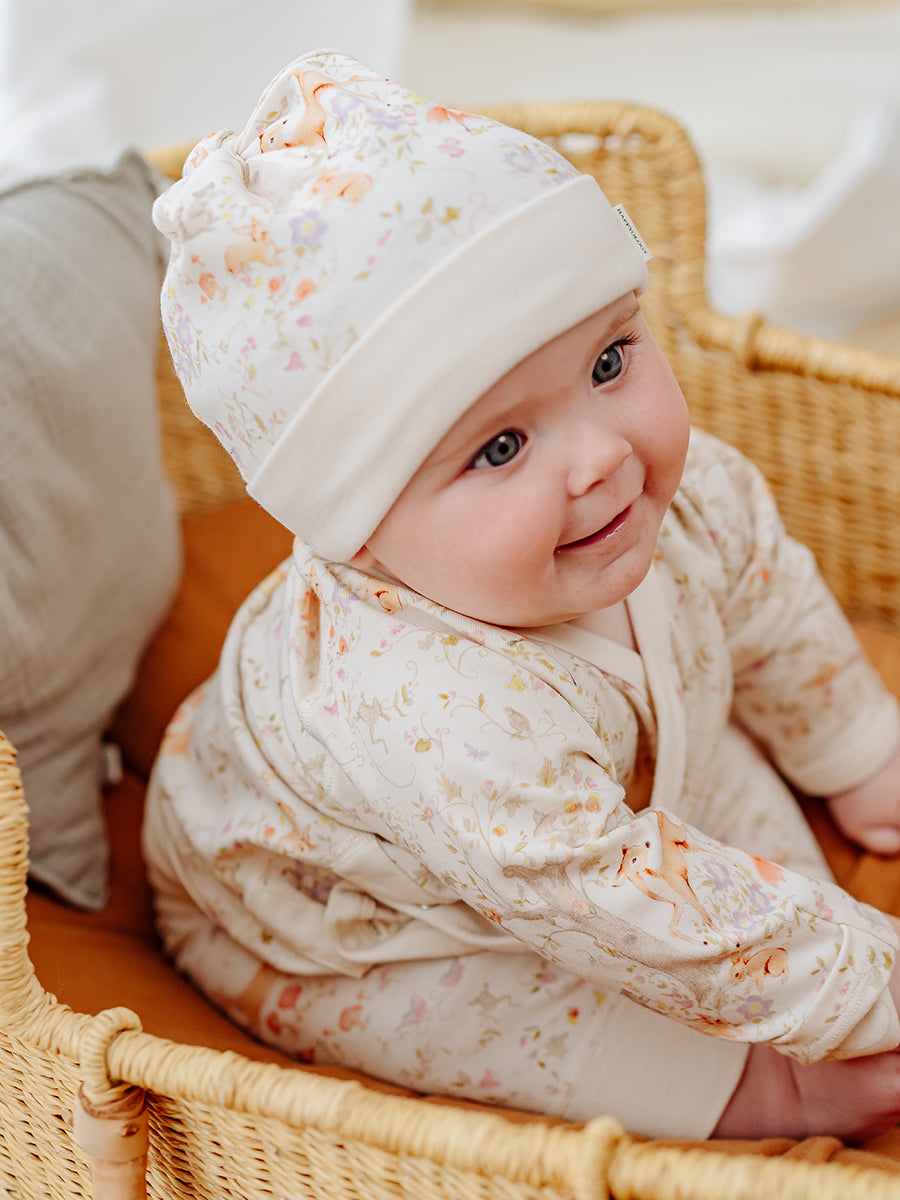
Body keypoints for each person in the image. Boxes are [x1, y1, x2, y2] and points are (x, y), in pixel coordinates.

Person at [144, 48, 900, 1141]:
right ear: (362, 536)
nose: (601, 458)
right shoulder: (435, 715)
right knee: (516, 1018)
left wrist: (859, 753)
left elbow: (765, 595)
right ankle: (770, 1096)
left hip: (573, 798)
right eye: (500, 447)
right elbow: (623, 903)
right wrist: (872, 988)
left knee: (734, 807)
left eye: (609, 362)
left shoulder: (679, 495)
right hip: (337, 922)